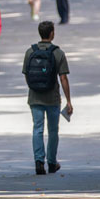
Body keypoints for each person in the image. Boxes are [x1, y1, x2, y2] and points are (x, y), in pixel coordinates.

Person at [22, 21, 73, 175]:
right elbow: (63, 78)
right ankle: (51, 162)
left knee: (37, 129)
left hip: (35, 97)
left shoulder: (30, 52)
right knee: (53, 131)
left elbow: (26, 74)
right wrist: (69, 100)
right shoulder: (58, 53)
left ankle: (39, 162)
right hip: (52, 98)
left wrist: (34, 88)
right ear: (52, 33)